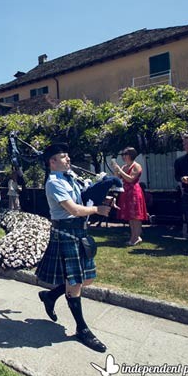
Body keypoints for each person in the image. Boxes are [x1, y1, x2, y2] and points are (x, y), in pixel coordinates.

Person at [35, 142, 111, 353]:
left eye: (68, 156)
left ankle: (50, 296)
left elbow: (83, 199)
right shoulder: (53, 182)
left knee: (87, 279)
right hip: (66, 232)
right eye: (63, 157)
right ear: (52, 162)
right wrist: (97, 209)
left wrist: (102, 197)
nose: (68, 159)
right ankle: (82, 329)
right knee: (75, 282)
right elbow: (74, 209)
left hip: (80, 232)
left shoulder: (71, 177)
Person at [113, 147, 149, 246]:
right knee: (130, 216)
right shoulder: (124, 167)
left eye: (125, 154)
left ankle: (136, 237)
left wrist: (120, 171)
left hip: (134, 192)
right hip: (126, 192)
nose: (124, 157)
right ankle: (133, 236)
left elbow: (131, 179)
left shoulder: (136, 166)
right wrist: (116, 170)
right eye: (123, 155)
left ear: (131, 155)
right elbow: (117, 178)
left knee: (136, 216)